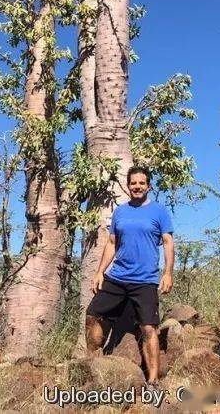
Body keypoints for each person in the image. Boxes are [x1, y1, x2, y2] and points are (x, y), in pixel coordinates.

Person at [85, 165, 174, 387]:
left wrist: (168, 273)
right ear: (128, 186)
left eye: (141, 183)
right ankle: (93, 363)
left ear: (148, 185)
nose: (137, 186)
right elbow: (112, 243)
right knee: (93, 314)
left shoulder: (159, 211)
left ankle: (153, 380)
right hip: (117, 276)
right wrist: (99, 272)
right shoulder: (120, 212)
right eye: (133, 183)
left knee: (148, 327)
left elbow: (168, 242)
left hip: (145, 280)